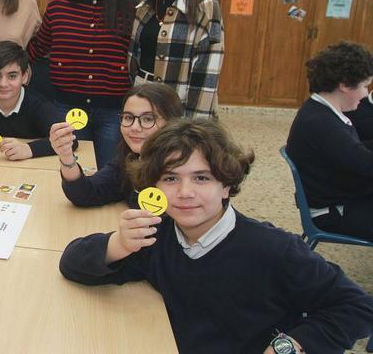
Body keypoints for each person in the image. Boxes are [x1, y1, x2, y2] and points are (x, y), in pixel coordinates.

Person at [59, 119, 373, 353]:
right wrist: (118, 244)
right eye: (170, 178)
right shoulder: (158, 237)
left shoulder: (274, 249)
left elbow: (356, 306)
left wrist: (289, 345)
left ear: (226, 186)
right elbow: (71, 262)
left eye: (201, 178)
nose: (185, 192)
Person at [28, 0, 137, 166]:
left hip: (113, 113)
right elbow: (37, 49)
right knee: (69, 172)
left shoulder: (131, 8)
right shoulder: (59, 6)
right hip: (66, 110)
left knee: (110, 175)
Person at [129, 0, 224, 119]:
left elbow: (207, 76)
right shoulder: (145, 4)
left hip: (176, 109)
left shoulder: (205, 7)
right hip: (141, 103)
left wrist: (194, 129)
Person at [286, 41, 373, 241]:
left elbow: (354, 151)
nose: (365, 94)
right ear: (343, 85)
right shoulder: (323, 124)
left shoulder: (320, 110)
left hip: (340, 198)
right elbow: (365, 164)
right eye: (364, 86)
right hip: (333, 213)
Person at [50, 83, 183, 208]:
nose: (134, 127)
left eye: (148, 119)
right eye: (128, 117)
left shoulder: (183, 171)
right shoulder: (131, 158)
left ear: (171, 123)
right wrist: (66, 156)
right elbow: (87, 193)